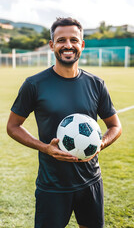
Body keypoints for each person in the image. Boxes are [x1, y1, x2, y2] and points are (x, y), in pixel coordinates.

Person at [7, 17, 122, 228]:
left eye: (73, 40)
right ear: (52, 45)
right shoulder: (34, 84)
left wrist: (101, 143)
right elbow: (13, 126)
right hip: (52, 185)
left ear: (82, 45)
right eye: (61, 40)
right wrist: (45, 148)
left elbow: (115, 126)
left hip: (90, 181)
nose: (67, 45)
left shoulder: (96, 84)